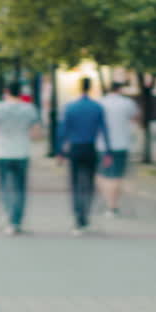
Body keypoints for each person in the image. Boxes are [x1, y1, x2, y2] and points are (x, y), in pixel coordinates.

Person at [0, 82, 43, 235]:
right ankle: (16, 221)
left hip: (2, 152)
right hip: (22, 151)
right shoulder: (29, 109)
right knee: (20, 187)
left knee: (4, 186)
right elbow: (37, 134)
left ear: (6, 91)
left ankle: (8, 215)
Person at [54, 77, 110, 235]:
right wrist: (108, 151)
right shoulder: (97, 107)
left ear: (79, 87)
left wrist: (59, 151)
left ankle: (78, 217)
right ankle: (85, 216)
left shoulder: (70, 107)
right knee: (89, 184)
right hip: (90, 148)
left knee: (75, 183)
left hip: (75, 148)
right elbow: (104, 130)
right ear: (90, 87)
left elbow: (63, 131)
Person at [95, 81, 140, 217]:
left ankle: (109, 202)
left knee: (103, 175)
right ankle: (113, 205)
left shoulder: (101, 103)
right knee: (117, 176)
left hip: (102, 145)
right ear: (120, 89)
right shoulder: (128, 103)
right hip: (122, 144)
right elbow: (136, 118)